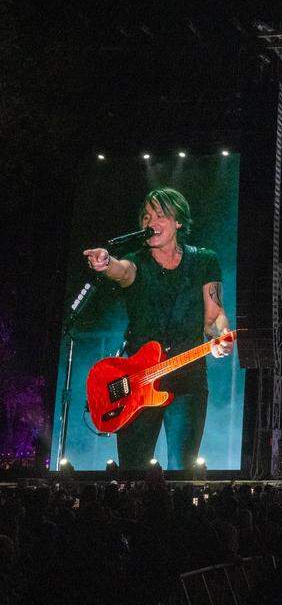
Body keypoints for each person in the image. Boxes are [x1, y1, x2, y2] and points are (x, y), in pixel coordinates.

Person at [83, 187, 232, 470]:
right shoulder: (136, 263)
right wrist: (105, 263)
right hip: (137, 382)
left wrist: (223, 335)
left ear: (178, 221)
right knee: (133, 473)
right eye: (145, 217)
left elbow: (214, 317)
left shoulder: (204, 260)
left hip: (187, 378)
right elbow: (121, 270)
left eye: (160, 215)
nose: (150, 222)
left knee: (182, 470)